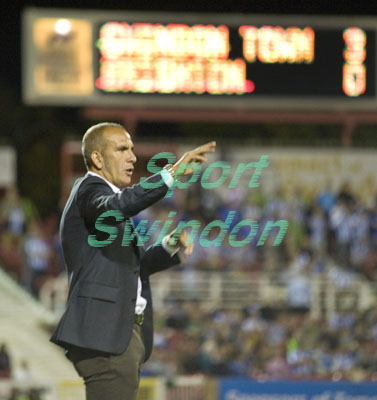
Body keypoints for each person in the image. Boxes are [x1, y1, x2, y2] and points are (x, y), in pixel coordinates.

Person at [50, 122, 215, 400]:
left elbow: (134, 268)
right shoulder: (89, 190)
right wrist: (170, 174)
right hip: (108, 337)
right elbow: (118, 206)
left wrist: (169, 244)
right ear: (97, 159)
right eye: (122, 149)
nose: (133, 157)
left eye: (132, 149)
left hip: (118, 334)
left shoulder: (106, 200)